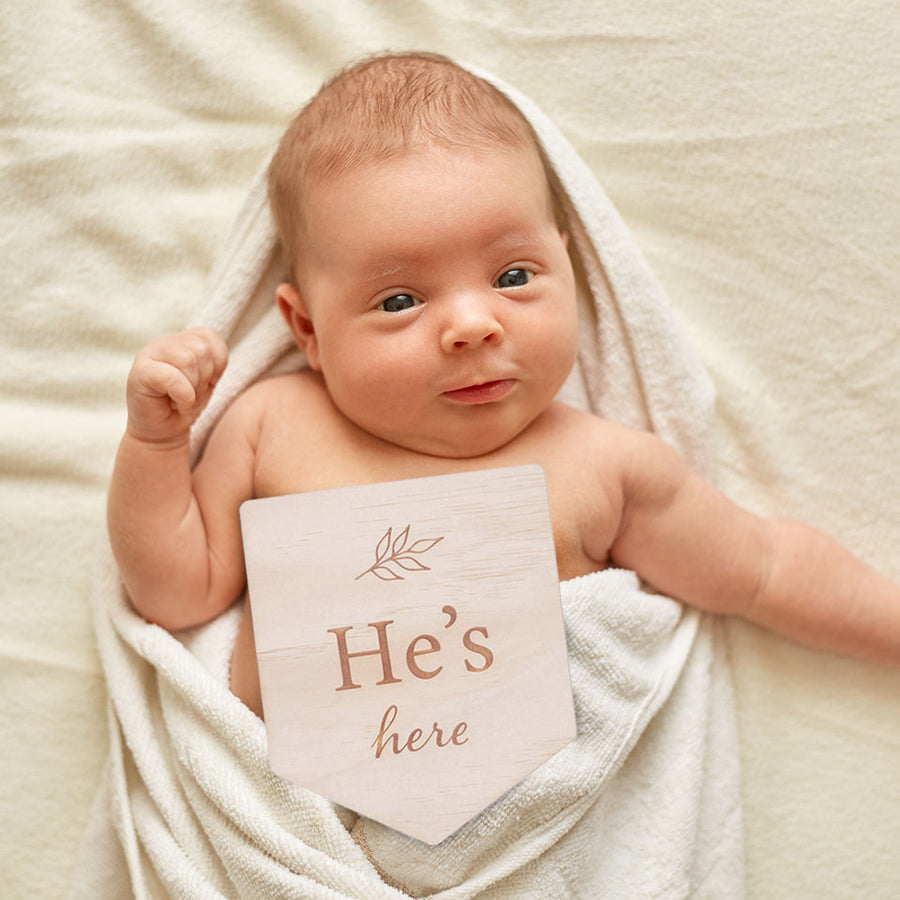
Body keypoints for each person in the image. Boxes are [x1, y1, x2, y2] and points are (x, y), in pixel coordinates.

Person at [108, 52, 900, 719]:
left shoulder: (606, 468)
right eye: (399, 300)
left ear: (572, 268)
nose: (470, 326)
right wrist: (156, 443)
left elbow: (763, 568)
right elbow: (177, 592)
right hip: (314, 839)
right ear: (307, 330)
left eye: (513, 276)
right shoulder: (273, 426)